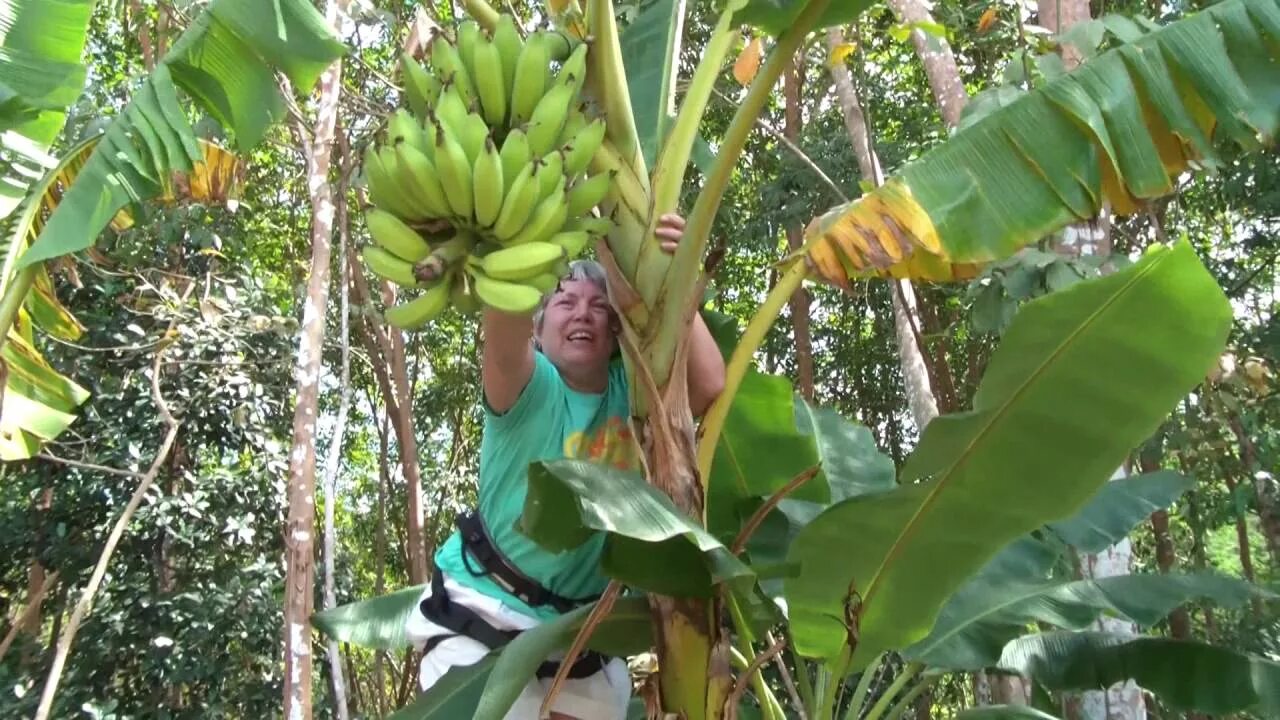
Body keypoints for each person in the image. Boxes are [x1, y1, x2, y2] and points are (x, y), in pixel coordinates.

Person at [404, 213, 727, 720]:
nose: (584, 315)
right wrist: (527, 237)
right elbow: (503, 324)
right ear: (538, 327)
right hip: (484, 615)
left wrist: (675, 274)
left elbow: (707, 386)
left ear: (616, 328)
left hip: (583, 632)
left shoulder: (633, 392)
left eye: (600, 307)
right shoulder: (528, 388)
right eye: (565, 302)